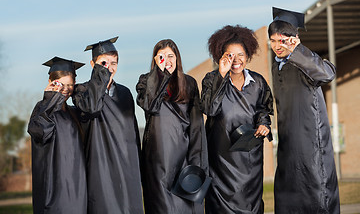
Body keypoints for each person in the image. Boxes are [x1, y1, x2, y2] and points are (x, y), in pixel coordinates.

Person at [269, 7, 340, 213]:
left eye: (282, 40)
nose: (277, 46)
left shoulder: (304, 60)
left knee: (316, 194)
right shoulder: (276, 66)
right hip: (288, 143)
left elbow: (327, 74)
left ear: (295, 38)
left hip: (311, 142)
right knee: (288, 195)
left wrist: (298, 51)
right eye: (273, 40)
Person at [200, 25, 273, 214]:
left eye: (240, 54)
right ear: (221, 57)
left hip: (249, 159)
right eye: (229, 55)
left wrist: (263, 124)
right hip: (221, 160)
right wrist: (222, 75)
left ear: (248, 55)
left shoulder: (258, 83)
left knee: (252, 205)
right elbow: (209, 108)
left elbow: (263, 109)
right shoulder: (211, 79)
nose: (236, 60)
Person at [72, 37, 143, 214]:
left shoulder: (125, 93)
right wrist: (101, 77)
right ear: (92, 64)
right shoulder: (82, 91)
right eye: (103, 62)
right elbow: (92, 108)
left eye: (113, 62)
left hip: (126, 163)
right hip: (100, 164)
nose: (109, 67)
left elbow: (132, 130)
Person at [136, 39, 208, 214]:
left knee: (186, 207)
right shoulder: (146, 81)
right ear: (155, 60)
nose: (167, 60)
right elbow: (149, 104)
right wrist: (159, 75)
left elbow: (196, 125)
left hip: (183, 157)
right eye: (161, 57)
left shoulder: (189, 83)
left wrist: (197, 162)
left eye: (170, 56)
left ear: (177, 58)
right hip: (157, 159)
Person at [28, 57, 87, 214]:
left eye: (70, 85)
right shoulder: (42, 110)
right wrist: (50, 99)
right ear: (51, 82)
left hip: (78, 187)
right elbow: (40, 132)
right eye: (62, 84)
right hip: (55, 189)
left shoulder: (74, 112)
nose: (66, 90)